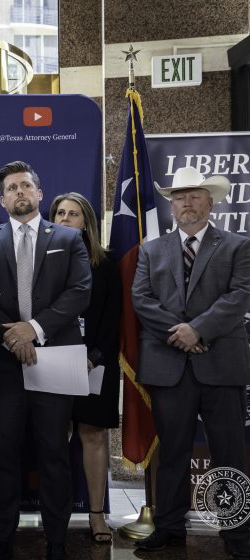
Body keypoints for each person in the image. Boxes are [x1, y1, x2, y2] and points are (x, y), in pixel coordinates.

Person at [0, 161, 91, 560]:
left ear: (39, 193)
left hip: (54, 358)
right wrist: (12, 335)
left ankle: (56, 541)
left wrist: (33, 329)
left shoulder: (69, 238)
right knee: (1, 453)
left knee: (54, 452)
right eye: (11, 188)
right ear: (2, 200)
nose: (19, 192)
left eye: (25, 185)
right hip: (2, 364)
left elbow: (79, 291)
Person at [132, 166, 250, 558]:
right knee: (173, 453)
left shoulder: (237, 246)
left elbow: (239, 296)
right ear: (171, 206)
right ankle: (169, 527)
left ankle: (236, 534)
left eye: (195, 196)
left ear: (209, 203)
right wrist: (182, 334)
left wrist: (198, 330)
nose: (187, 203)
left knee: (229, 453)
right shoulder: (151, 249)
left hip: (222, 364)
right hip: (170, 366)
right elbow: (142, 299)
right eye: (179, 197)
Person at [49, 192, 121, 544]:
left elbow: (112, 318)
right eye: (59, 213)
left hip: (96, 362)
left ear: (86, 222)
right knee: (53, 436)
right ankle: (56, 517)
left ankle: (96, 515)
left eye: (73, 213)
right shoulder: (41, 260)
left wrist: (93, 357)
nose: (65, 219)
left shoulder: (105, 262)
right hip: (51, 362)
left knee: (92, 435)